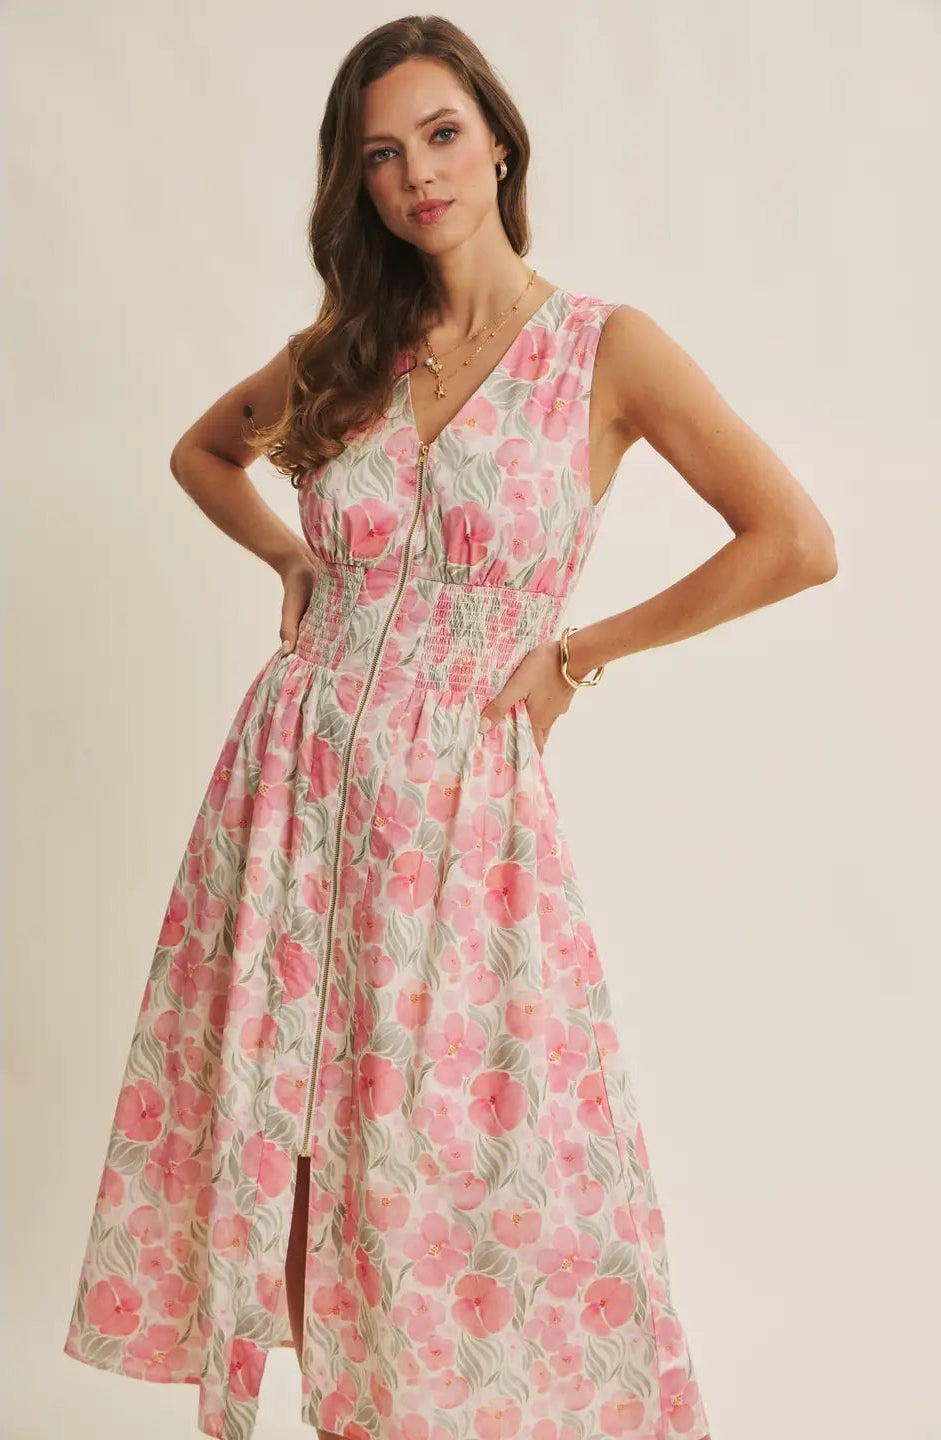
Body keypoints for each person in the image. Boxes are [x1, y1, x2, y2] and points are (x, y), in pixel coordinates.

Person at [63, 15, 837, 1440]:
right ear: (355, 187)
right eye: (381, 154)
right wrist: (295, 562)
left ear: (499, 140)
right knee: (303, 1156)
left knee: (469, 1172)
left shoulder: (607, 350)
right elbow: (201, 451)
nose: (417, 173)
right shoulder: (352, 347)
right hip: (291, 790)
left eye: (439, 133)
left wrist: (580, 653)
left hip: (464, 824)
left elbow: (792, 539)